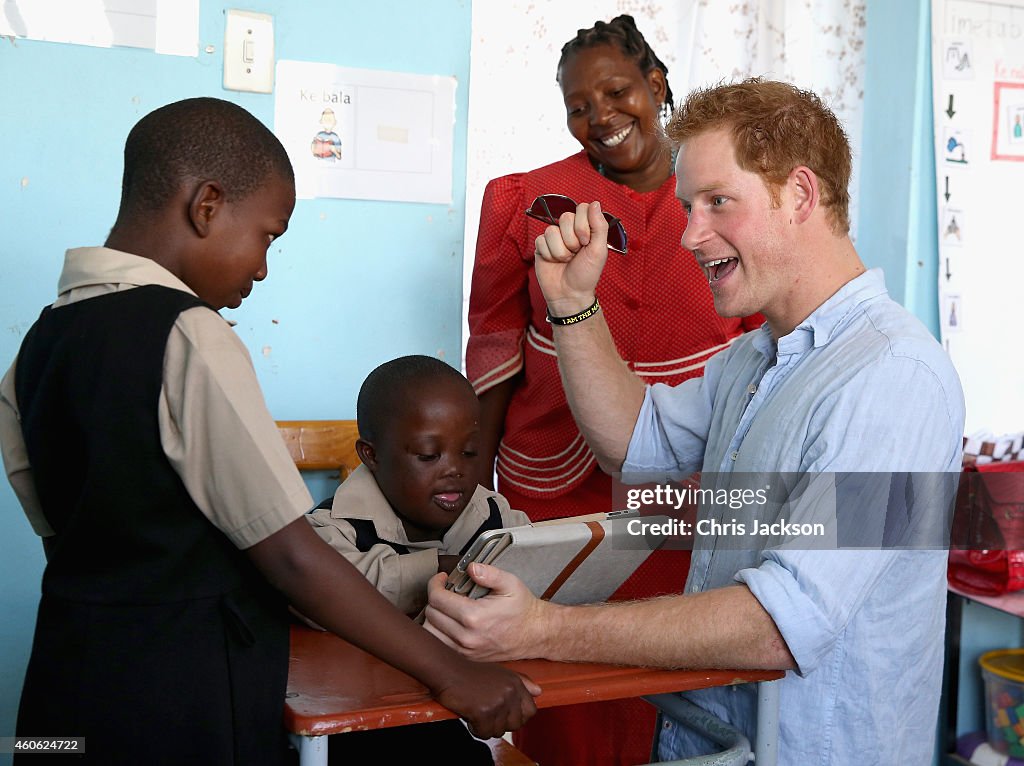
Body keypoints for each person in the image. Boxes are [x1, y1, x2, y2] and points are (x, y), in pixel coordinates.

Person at [428, 78, 966, 766]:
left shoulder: (896, 379)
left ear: (801, 195)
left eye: (718, 203)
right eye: (688, 206)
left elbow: (780, 625)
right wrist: (570, 305)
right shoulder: (756, 355)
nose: (689, 235)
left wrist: (542, 627)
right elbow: (633, 442)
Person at [0, 97, 538, 766]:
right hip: (181, 705)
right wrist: (450, 672)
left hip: (63, 689)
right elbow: (288, 555)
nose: (260, 268)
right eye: (267, 236)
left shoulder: (36, 349)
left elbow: (65, 542)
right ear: (206, 206)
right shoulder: (188, 332)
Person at [466, 15, 761, 764]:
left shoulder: (722, 208)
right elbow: (494, 351)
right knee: (558, 691)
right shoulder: (526, 202)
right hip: (556, 491)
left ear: (656, 87)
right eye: (578, 103)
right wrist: (474, 498)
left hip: (685, 499)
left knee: (676, 676)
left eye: (617, 90)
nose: (599, 115)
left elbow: (765, 353)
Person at [298, 354, 532, 764]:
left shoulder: (493, 515)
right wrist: (445, 569)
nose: (455, 470)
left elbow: (534, 564)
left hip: (453, 708)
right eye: (428, 456)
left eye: (471, 452)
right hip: (358, 720)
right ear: (371, 455)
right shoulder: (331, 530)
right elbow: (333, 598)